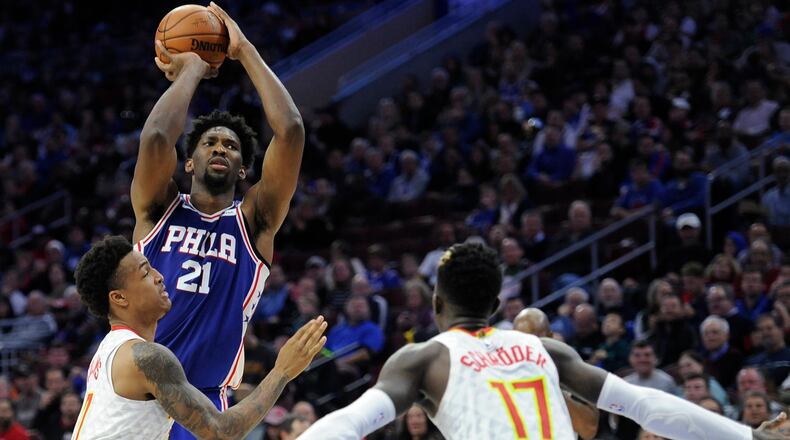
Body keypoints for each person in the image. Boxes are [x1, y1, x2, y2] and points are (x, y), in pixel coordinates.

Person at [298, 243, 785, 439]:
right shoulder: (547, 350)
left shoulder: (424, 358)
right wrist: (749, 435)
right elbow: (647, 404)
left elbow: (350, 423)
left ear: (436, 304)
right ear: (495, 305)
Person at [130, 4, 305, 439]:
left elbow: (291, 132)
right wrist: (192, 67)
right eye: (210, 142)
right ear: (189, 162)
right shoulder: (158, 210)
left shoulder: (254, 223)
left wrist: (244, 51)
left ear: (244, 171)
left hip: (206, 402)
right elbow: (155, 138)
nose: (221, 148)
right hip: (138, 398)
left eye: (231, 145)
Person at [71, 236, 326, 439]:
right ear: (118, 298)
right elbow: (220, 432)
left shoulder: (111, 350)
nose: (160, 277)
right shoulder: (145, 357)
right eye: (146, 273)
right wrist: (282, 371)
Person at [513, 307, 599, 440]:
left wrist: (549, 386)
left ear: (550, 337)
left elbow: (589, 429)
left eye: (534, 339)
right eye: (521, 340)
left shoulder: (571, 372)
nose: (528, 348)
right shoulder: (502, 374)